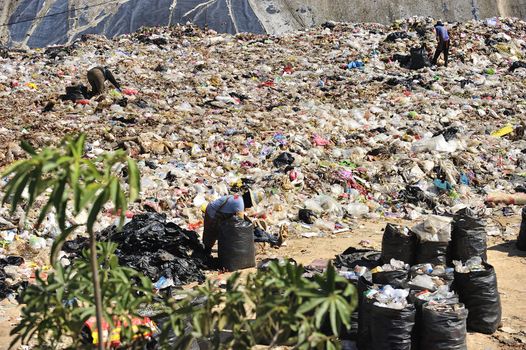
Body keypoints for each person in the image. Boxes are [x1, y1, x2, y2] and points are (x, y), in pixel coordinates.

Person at [202, 190, 263, 255]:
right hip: (213, 213)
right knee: (211, 233)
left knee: (216, 233)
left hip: (215, 210)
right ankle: (206, 254)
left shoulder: (238, 198)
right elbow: (240, 222)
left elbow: (240, 216)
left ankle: (207, 251)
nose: (250, 207)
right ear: (249, 200)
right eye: (250, 204)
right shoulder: (240, 203)